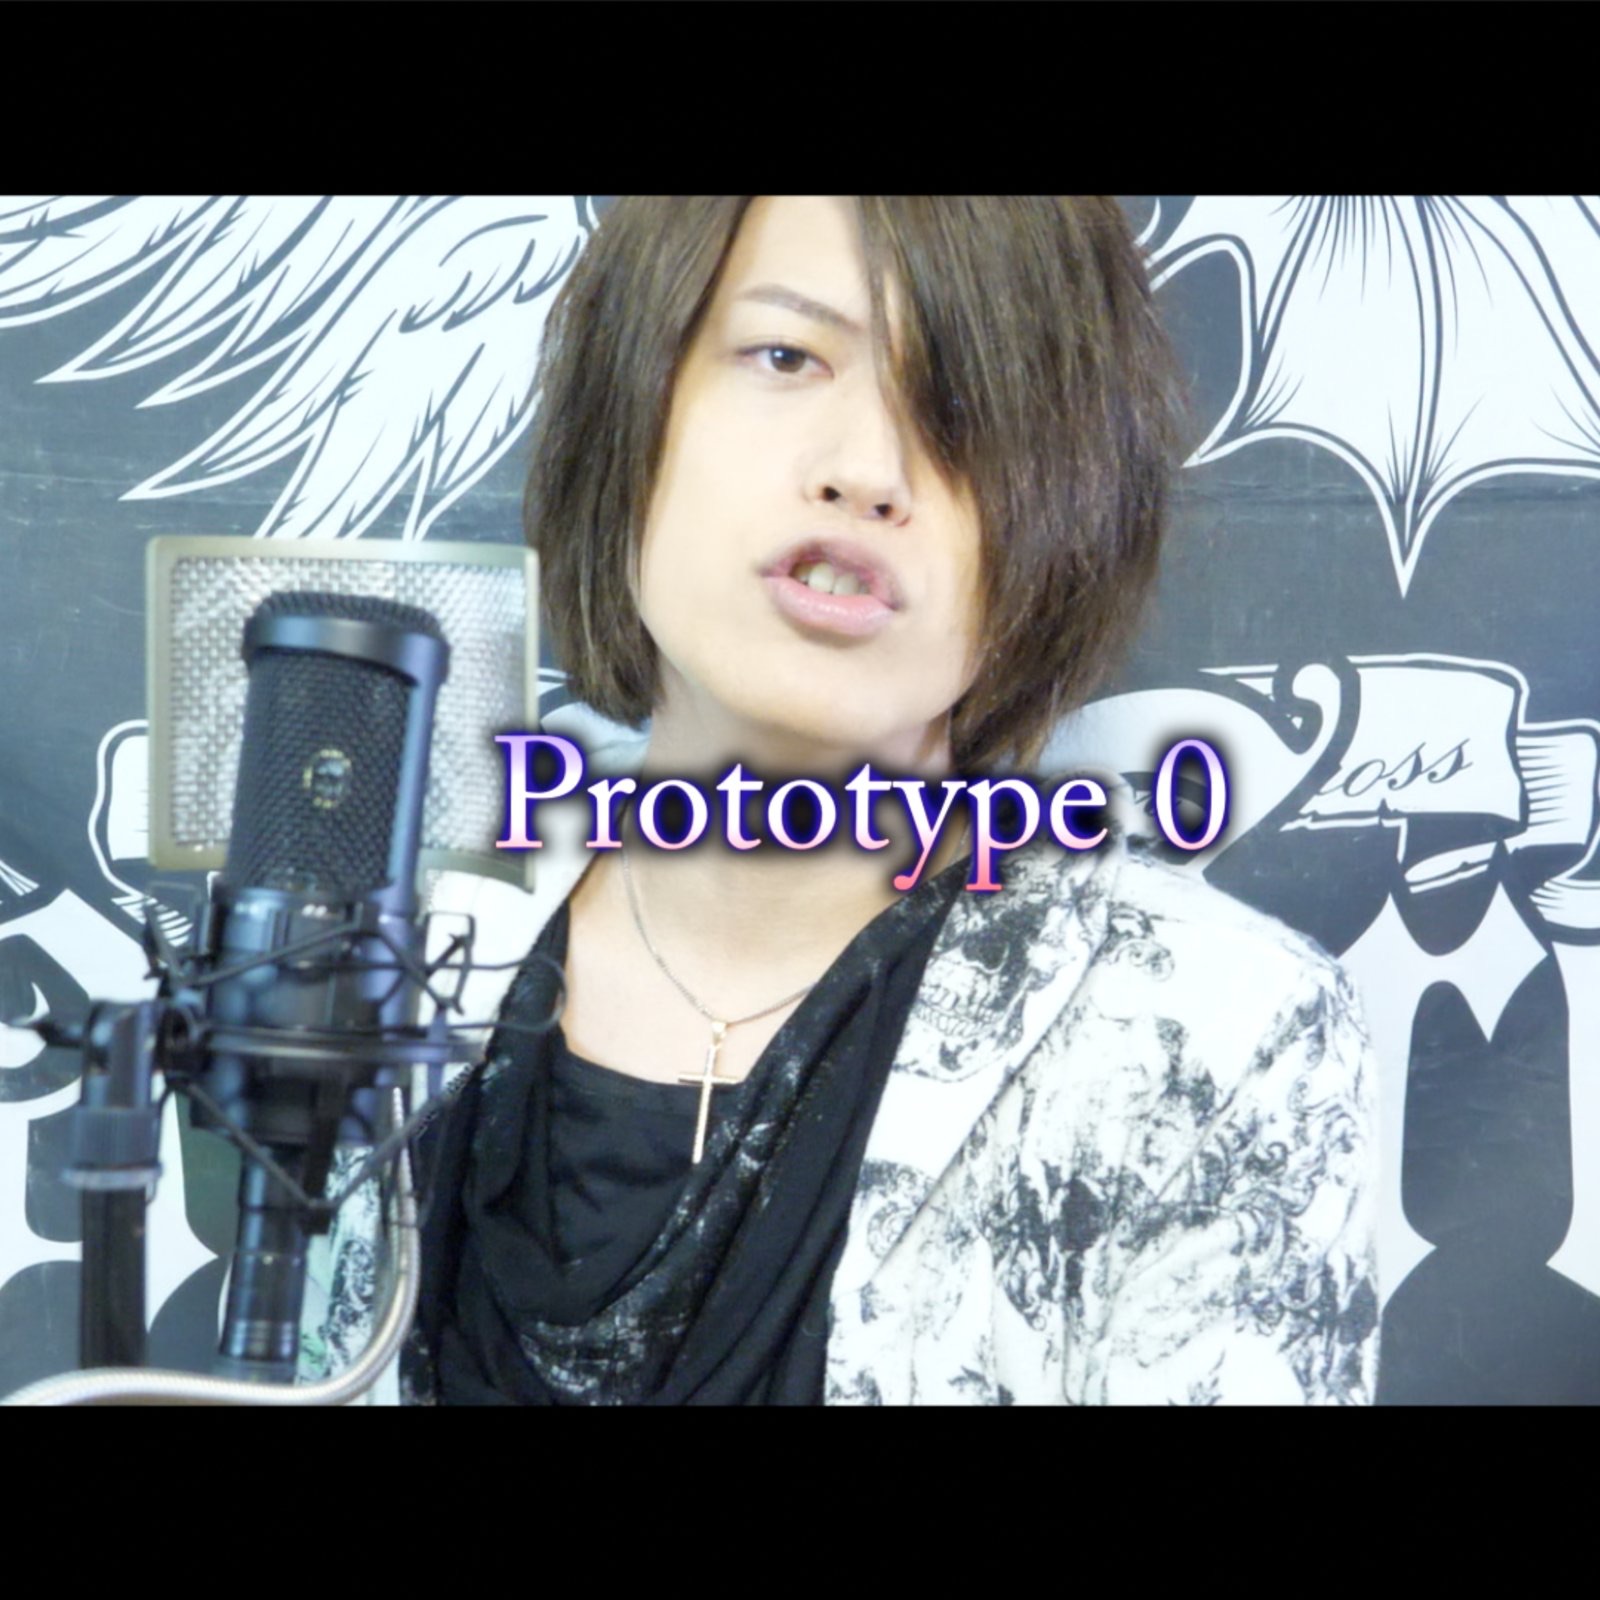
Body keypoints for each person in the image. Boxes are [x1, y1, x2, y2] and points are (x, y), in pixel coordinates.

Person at [304, 195, 1379, 1405]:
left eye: (963, 402)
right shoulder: (388, 963)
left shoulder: (1208, 1032)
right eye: (784, 355)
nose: (866, 472)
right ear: (632, 406)